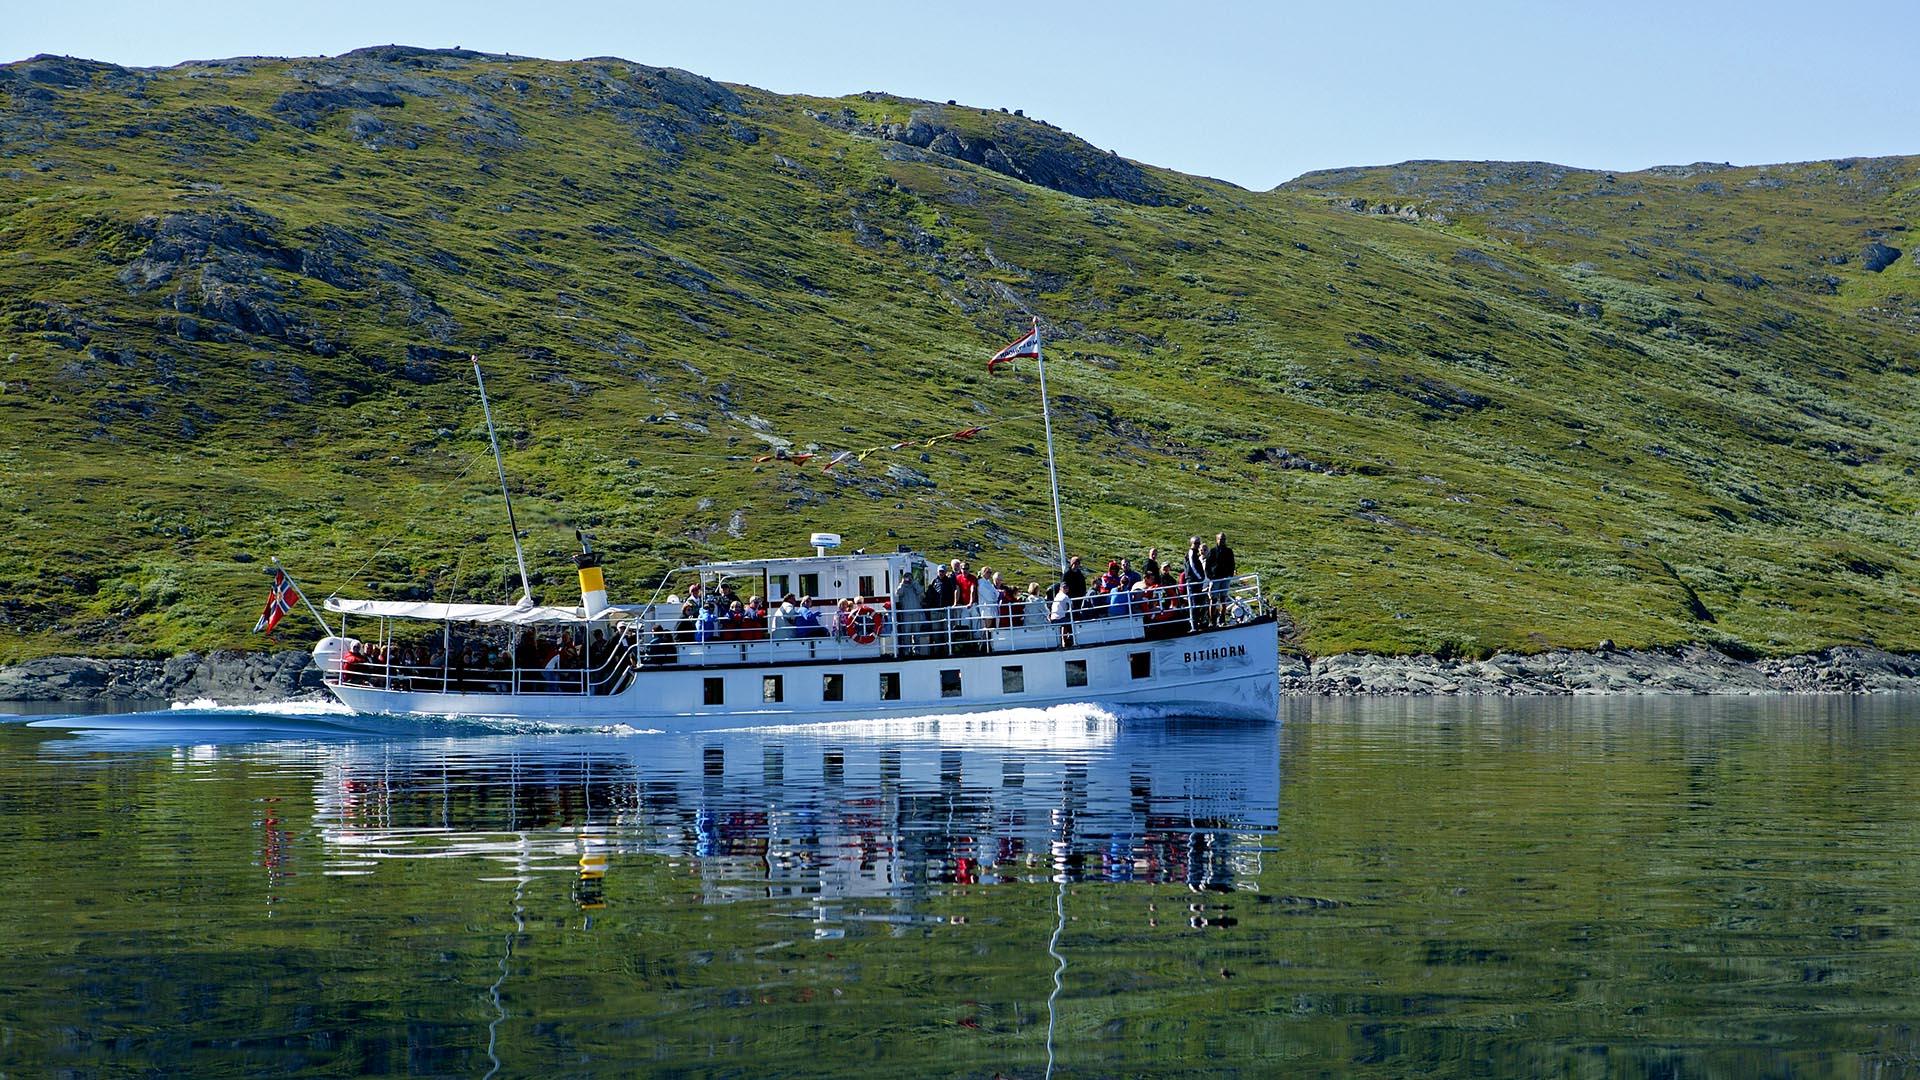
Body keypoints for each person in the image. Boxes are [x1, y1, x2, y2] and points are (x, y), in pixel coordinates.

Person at [1205, 531, 1237, 623]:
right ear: (1216, 539)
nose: (1222, 541)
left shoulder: (1229, 551)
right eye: (1220, 539)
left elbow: (1232, 564)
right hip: (1215, 579)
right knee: (1213, 600)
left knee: (1223, 599)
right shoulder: (1213, 551)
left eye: (1223, 539)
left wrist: (1230, 575)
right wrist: (1210, 576)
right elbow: (1208, 565)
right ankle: (1212, 620)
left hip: (1225, 578)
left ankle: (1222, 618)